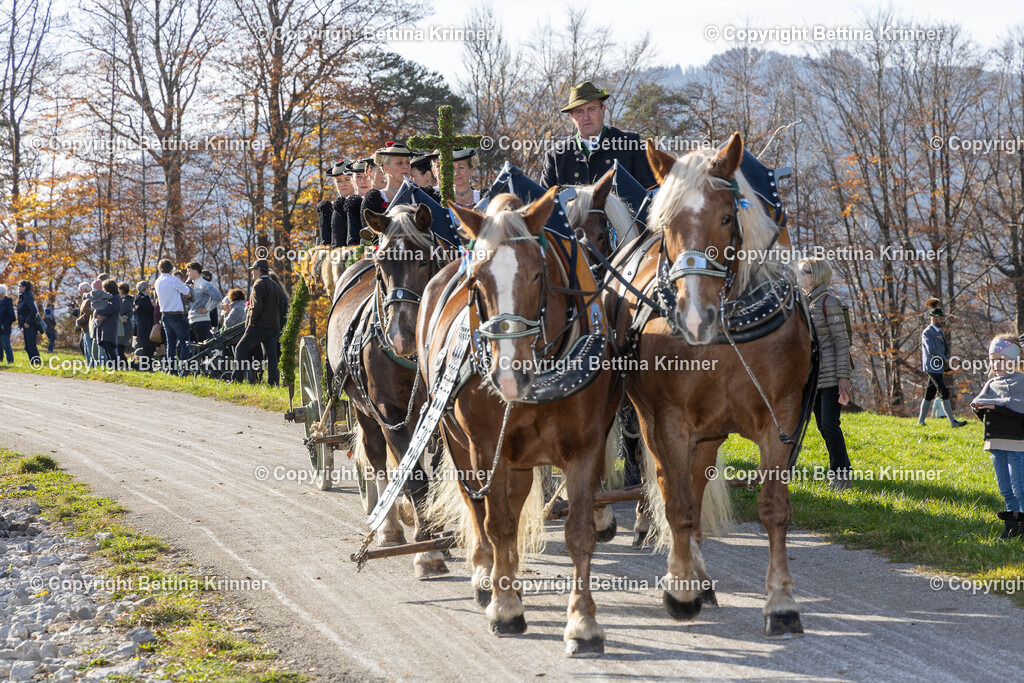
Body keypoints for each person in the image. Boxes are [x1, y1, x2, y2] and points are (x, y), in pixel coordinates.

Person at [798, 258, 854, 489]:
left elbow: (842, 342)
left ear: (817, 275)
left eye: (804, 272)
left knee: (830, 425)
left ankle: (841, 476)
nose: (799, 275)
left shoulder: (828, 303)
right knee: (823, 426)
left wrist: (843, 378)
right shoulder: (805, 302)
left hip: (831, 375)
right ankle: (841, 470)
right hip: (813, 377)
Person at [540, 80, 656, 189]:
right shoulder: (556, 156)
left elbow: (649, 194)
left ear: (603, 110)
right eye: (579, 111)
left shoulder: (630, 144)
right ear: (572, 117)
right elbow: (544, 203)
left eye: (591, 109)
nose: (586, 117)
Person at [971, 335, 1024, 540]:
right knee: (1005, 488)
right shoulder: (992, 384)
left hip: (1017, 444)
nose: (996, 364)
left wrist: (997, 406)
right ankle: (1011, 527)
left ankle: (1022, 526)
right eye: (993, 359)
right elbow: (986, 415)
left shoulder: (1021, 382)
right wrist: (980, 409)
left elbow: (1019, 410)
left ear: (1014, 360)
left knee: (1019, 487)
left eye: (1001, 359)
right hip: (995, 444)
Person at [231, 259, 287, 385]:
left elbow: (256, 306)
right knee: (272, 356)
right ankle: (273, 383)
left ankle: (236, 380)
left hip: (258, 326)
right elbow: (281, 307)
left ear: (258, 270)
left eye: (253, 270)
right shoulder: (275, 285)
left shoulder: (259, 284)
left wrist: (251, 323)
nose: (252, 273)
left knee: (240, 349)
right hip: (273, 326)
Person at [918, 297, 967, 427]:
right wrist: (943, 358)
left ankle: (920, 421)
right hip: (932, 366)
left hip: (938, 366)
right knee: (944, 392)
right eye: (940, 319)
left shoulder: (939, 332)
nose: (942, 320)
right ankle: (952, 421)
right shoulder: (927, 332)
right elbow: (932, 350)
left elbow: (942, 347)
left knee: (929, 393)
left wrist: (946, 358)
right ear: (933, 318)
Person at [360, 143, 414, 231]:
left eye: (408, 163)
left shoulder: (417, 193)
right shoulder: (374, 198)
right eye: (399, 163)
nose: (406, 167)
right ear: (386, 169)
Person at [154, 258, 192, 372]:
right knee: (185, 341)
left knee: (170, 344)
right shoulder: (173, 280)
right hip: (176, 314)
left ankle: (172, 369)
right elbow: (187, 293)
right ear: (171, 268)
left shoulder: (158, 281)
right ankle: (183, 369)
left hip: (165, 314)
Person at [186, 261, 220, 344]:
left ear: (195, 271)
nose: (187, 274)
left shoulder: (204, 284)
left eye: (188, 271)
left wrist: (207, 309)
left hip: (201, 321)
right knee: (196, 351)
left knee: (204, 351)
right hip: (192, 321)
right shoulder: (193, 284)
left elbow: (218, 296)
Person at [93, 279, 122, 367]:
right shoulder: (109, 298)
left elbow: (109, 309)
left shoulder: (116, 298)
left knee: (110, 348)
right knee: (106, 348)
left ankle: (115, 366)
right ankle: (110, 366)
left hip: (110, 326)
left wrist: (98, 311)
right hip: (105, 326)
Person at [344, 158, 372, 246]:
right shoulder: (343, 205)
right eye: (358, 177)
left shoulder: (380, 201)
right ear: (352, 181)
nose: (363, 182)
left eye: (366, 177)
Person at [133, 281, 156, 363]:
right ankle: (145, 365)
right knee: (148, 348)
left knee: (148, 348)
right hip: (146, 327)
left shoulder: (137, 298)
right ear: (146, 289)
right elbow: (151, 310)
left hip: (143, 327)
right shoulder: (143, 299)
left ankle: (145, 365)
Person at [74, 282, 95, 366]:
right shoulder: (85, 299)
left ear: (85, 290)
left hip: (88, 328)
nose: (78, 292)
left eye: (80, 290)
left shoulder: (89, 299)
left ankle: (92, 366)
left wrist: (79, 321)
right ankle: (90, 366)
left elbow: (88, 314)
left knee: (90, 350)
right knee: (86, 349)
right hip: (85, 329)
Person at [117, 283, 134, 363]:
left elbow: (118, 312)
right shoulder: (123, 300)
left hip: (124, 328)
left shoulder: (126, 301)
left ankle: (125, 365)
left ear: (121, 290)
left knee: (120, 349)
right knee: (119, 349)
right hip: (121, 327)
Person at [0, 284, 15, 363]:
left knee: (6, 344)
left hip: (4, 328)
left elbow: (12, 317)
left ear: (2, 293)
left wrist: (4, 325)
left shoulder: (8, 302)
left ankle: (10, 361)